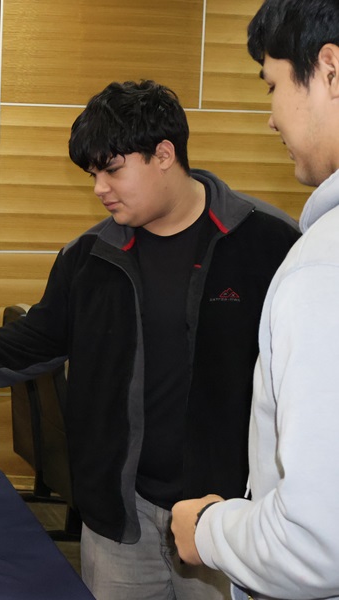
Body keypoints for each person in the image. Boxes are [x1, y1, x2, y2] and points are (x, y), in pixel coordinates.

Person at [0, 81, 300, 600]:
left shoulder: (271, 244)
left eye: (112, 169)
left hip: (229, 518)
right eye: (93, 173)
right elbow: (37, 339)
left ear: (164, 155)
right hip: (120, 519)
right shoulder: (89, 255)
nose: (100, 187)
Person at [172, 3, 339, 598]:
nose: (271, 119)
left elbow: (315, 541)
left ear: (329, 71)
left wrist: (209, 530)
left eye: (272, 86)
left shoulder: (319, 266)